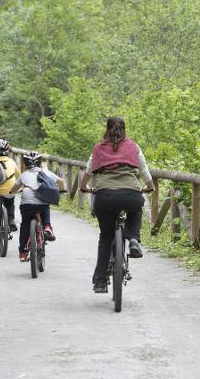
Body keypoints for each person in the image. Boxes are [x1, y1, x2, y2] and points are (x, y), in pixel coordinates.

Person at [79, 117, 154, 294]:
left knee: (106, 237)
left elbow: (88, 172)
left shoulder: (98, 148)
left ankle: (99, 281)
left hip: (104, 196)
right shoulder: (133, 147)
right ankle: (134, 238)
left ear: (107, 130)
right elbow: (144, 170)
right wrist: (150, 187)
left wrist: (83, 188)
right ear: (124, 130)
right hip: (131, 194)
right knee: (136, 209)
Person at [10, 152, 65, 262]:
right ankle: (47, 227)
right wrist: (62, 191)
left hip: (27, 204)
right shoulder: (45, 172)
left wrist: (11, 192)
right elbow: (61, 181)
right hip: (42, 204)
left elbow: (14, 189)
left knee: (25, 226)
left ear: (25, 164)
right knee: (45, 207)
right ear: (40, 162)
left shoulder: (24, 175)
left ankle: (23, 253)